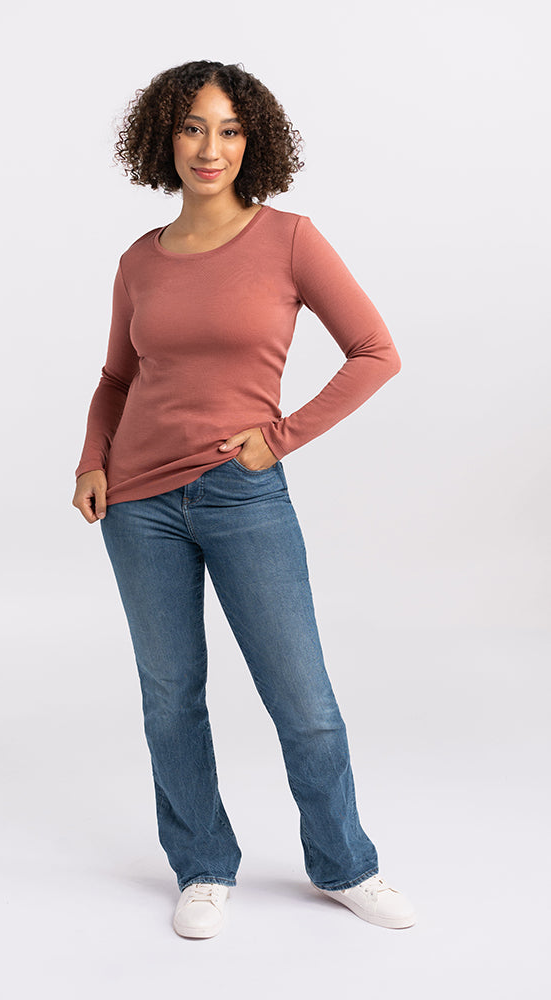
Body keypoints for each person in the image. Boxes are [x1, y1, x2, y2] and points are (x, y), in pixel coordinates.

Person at [72, 59, 415, 939]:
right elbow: (117, 377)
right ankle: (201, 864)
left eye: (227, 128)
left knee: (301, 696)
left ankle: (346, 864)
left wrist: (283, 437)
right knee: (171, 695)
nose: (209, 146)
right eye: (192, 127)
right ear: (165, 139)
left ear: (252, 138)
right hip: (138, 506)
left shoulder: (290, 239)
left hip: (241, 495)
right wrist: (91, 461)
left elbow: (375, 351)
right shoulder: (138, 261)